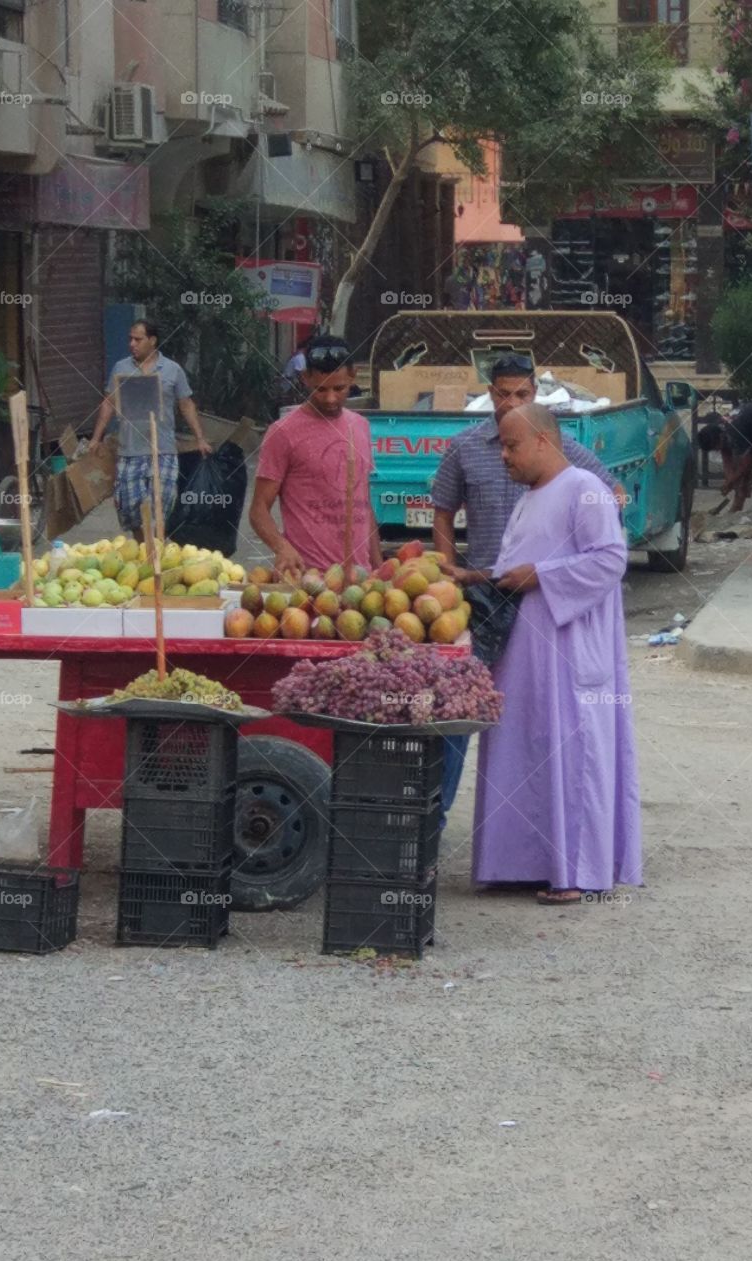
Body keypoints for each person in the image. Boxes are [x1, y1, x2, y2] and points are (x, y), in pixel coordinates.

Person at [430, 353, 625, 818]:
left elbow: (611, 499)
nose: (510, 401)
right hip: (482, 601)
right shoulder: (466, 447)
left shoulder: (565, 455)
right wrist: (448, 571)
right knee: (461, 712)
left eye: (521, 393)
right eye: (502, 393)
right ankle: (434, 821)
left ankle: (546, 832)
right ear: (488, 393)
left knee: (533, 719)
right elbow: (442, 508)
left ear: (535, 396)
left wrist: (577, 536)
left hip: (540, 608)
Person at [468, 403, 642, 903]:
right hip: (524, 653)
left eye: (511, 445)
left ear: (543, 441)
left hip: (568, 651)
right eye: (501, 445)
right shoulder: (529, 498)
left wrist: (542, 577)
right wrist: (476, 578)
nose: (504, 455)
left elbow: (610, 560)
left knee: (570, 754)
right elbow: (516, 569)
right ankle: (522, 865)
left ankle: (575, 875)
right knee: (524, 750)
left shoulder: (584, 488)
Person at [251, 336, 383, 577]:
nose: (330, 398)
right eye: (320, 389)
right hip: (310, 580)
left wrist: (379, 568)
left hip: (361, 581)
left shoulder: (361, 426)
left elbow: (364, 505)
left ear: (353, 376)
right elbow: (258, 510)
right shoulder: (283, 432)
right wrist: (282, 547)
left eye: (339, 388)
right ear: (305, 378)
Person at [89, 320, 212, 540]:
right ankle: (142, 545)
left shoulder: (172, 370)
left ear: (152, 340)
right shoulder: (121, 368)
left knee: (160, 504)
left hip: (162, 450)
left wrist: (200, 438)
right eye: (130, 339)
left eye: (138, 339)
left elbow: (186, 404)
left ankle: (155, 550)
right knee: (130, 509)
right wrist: (96, 438)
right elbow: (109, 402)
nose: (132, 344)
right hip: (129, 451)